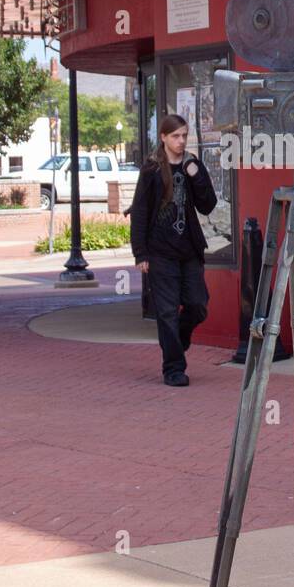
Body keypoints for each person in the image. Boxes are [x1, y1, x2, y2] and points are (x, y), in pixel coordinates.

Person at [129, 115, 217, 386]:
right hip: (160, 253)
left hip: (188, 250)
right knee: (166, 312)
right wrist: (140, 253)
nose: (181, 141)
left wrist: (196, 175)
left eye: (184, 136)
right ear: (164, 138)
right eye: (176, 136)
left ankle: (178, 336)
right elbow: (140, 211)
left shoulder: (192, 165)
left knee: (198, 305)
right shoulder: (152, 169)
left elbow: (208, 205)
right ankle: (173, 369)